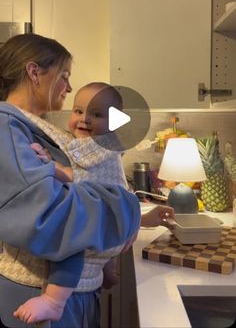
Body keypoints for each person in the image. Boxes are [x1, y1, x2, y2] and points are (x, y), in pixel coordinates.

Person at [0, 34, 141, 328]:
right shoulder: (7, 128)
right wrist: (128, 211)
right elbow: (53, 216)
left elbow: (80, 186)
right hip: (37, 292)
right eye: (64, 76)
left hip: (74, 291)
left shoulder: (37, 128)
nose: (69, 86)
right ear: (34, 72)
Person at [13, 82, 176, 325]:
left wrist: (49, 164)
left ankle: (53, 300)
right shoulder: (95, 145)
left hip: (100, 219)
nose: (84, 119)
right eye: (78, 111)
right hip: (110, 221)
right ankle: (108, 270)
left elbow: (77, 175)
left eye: (97, 115)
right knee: (95, 234)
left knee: (73, 239)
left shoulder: (100, 148)